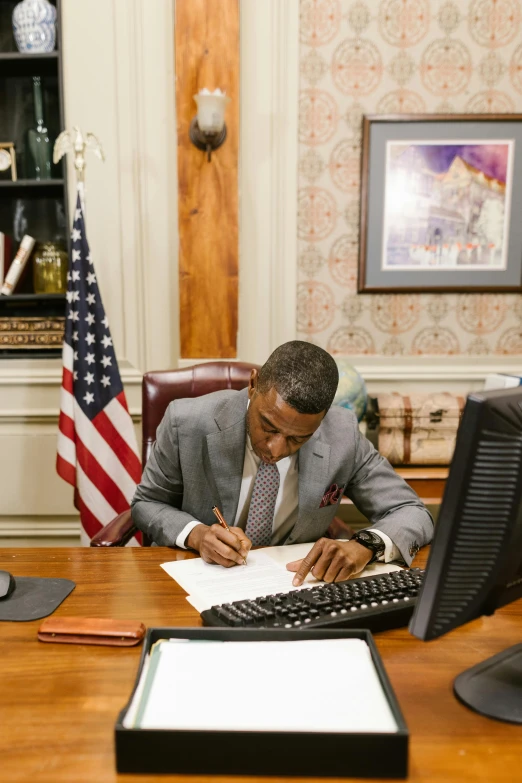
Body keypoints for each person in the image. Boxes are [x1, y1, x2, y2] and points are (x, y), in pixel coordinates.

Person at [131, 341, 433, 585]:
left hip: (292, 585)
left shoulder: (343, 435)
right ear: (253, 384)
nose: (275, 450)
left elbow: (411, 512)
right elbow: (147, 503)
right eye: (269, 426)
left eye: (297, 438)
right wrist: (198, 535)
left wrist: (366, 545)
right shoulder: (187, 422)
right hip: (197, 580)